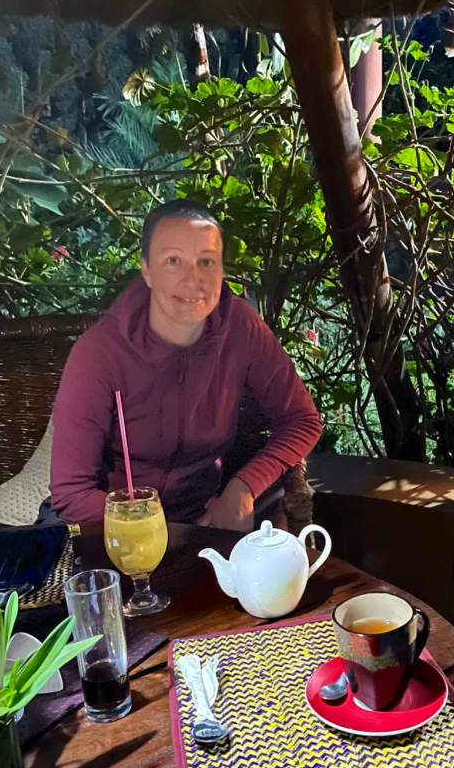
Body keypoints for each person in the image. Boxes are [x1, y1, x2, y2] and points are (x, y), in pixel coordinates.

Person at [49, 200, 322, 530]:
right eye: (173, 261)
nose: (193, 280)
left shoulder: (240, 327)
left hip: (203, 517)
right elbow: (71, 493)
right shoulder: (99, 351)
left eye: (206, 262)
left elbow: (302, 419)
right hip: (113, 527)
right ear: (147, 271)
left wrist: (243, 487)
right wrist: (160, 530)